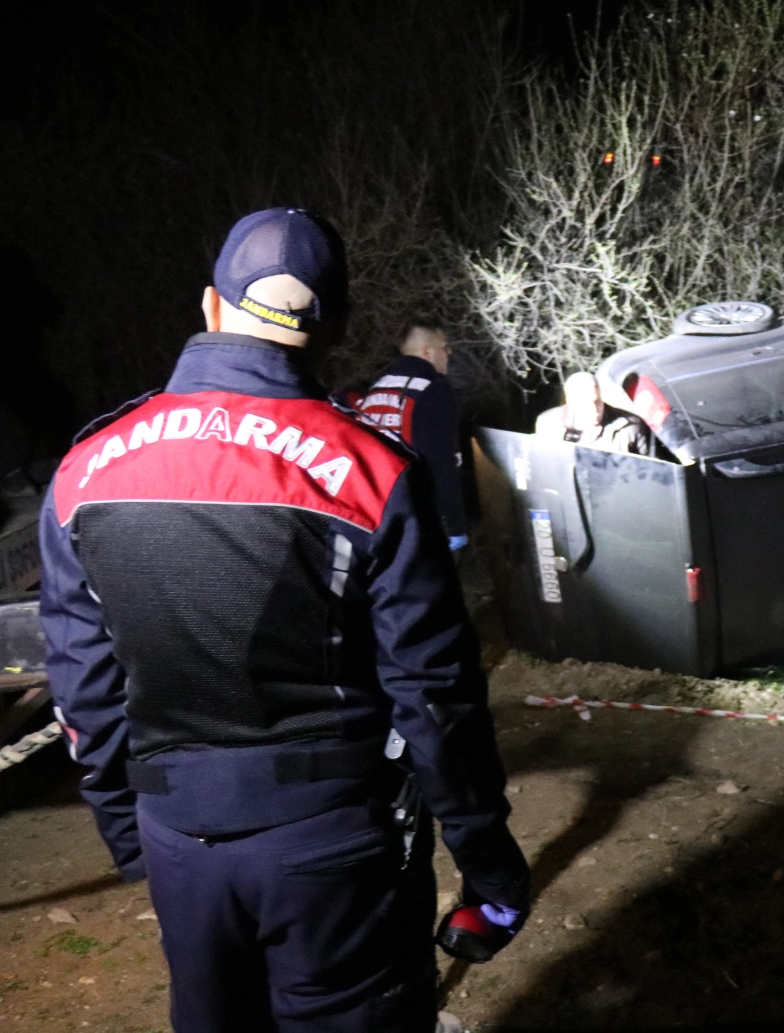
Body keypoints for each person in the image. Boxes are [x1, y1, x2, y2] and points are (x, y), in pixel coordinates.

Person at [39, 208, 530, 1032]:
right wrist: (486, 863)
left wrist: (133, 837)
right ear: (333, 325)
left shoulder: (85, 466)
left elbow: (82, 683)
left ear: (210, 308)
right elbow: (435, 695)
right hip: (330, 842)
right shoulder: (370, 471)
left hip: (175, 837)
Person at [348, 319, 470, 548]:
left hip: (373, 513)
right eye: (444, 347)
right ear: (428, 353)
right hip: (417, 517)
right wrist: (455, 525)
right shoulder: (433, 389)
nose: (449, 352)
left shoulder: (377, 389)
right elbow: (440, 461)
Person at [534, 370, 654, 455]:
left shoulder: (631, 425)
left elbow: (647, 473)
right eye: (585, 404)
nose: (594, 410)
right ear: (570, 402)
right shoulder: (549, 424)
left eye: (597, 401)